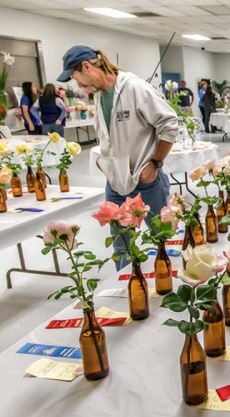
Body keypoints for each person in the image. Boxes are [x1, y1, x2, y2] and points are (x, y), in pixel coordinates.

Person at [58, 45, 178, 270]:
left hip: (146, 181)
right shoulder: (100, 96)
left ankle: (168, 290)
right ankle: (130, 290)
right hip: (115, 183)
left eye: (77, 79)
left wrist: (155, 163)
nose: (79, 86)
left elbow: (169, 124)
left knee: (162, 238)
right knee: (121, 244)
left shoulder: (134, 88)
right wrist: (104, 158)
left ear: (86, 66)